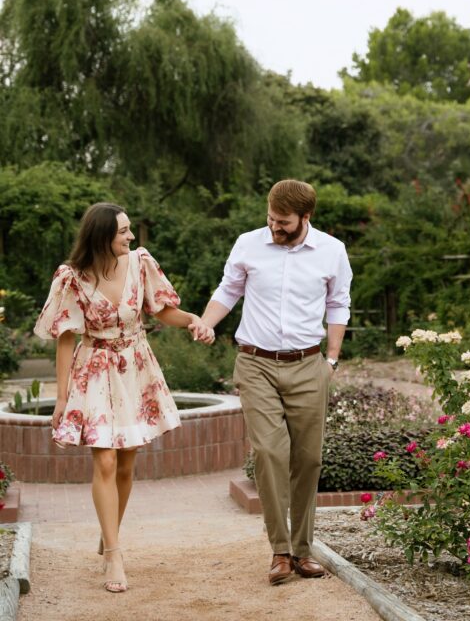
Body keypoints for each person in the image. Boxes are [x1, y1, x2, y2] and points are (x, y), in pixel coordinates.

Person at [34, 202, 214, 593]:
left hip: (135, 367)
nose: (131, 237)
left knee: (127, 467)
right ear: (102, 236)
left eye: (129, 230)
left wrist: (193, 320)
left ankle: (108, 530)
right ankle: (114, 554)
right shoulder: (70, 278)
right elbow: (65, 339)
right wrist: (61, 398)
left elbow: (163, 311)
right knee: (105, 460)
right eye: (123, 232)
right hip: (94, 368)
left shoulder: (140, 263)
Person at [199, 178, 352, 586]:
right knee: (269, 453)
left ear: (306, 217)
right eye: (271, 219)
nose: (275, 228)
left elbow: (339, 304)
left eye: (283, 222)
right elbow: (228, 290)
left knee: (309, 459)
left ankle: (303, 552)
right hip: (256, 363)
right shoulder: (248, 244)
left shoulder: (332, 252)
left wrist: (331, 360)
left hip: (308, 364)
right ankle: (280, 551)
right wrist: (206, 323)